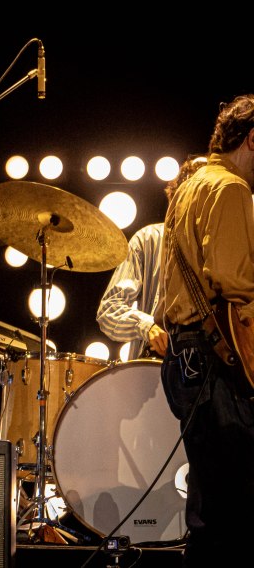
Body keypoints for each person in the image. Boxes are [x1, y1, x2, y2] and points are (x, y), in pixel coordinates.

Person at [158, 93, 254, 566]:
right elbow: (236, 281)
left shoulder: (189, 186)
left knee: (209, 507)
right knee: (236, 511)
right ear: (253, 139)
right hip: (216, 363)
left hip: (184, 358)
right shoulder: (230, 188)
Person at [96, 156, 206, 359]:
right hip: (155, 364)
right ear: (175, 199)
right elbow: (109, 310)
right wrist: (147, 327)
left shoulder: (224, 245)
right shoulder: (148, 239)